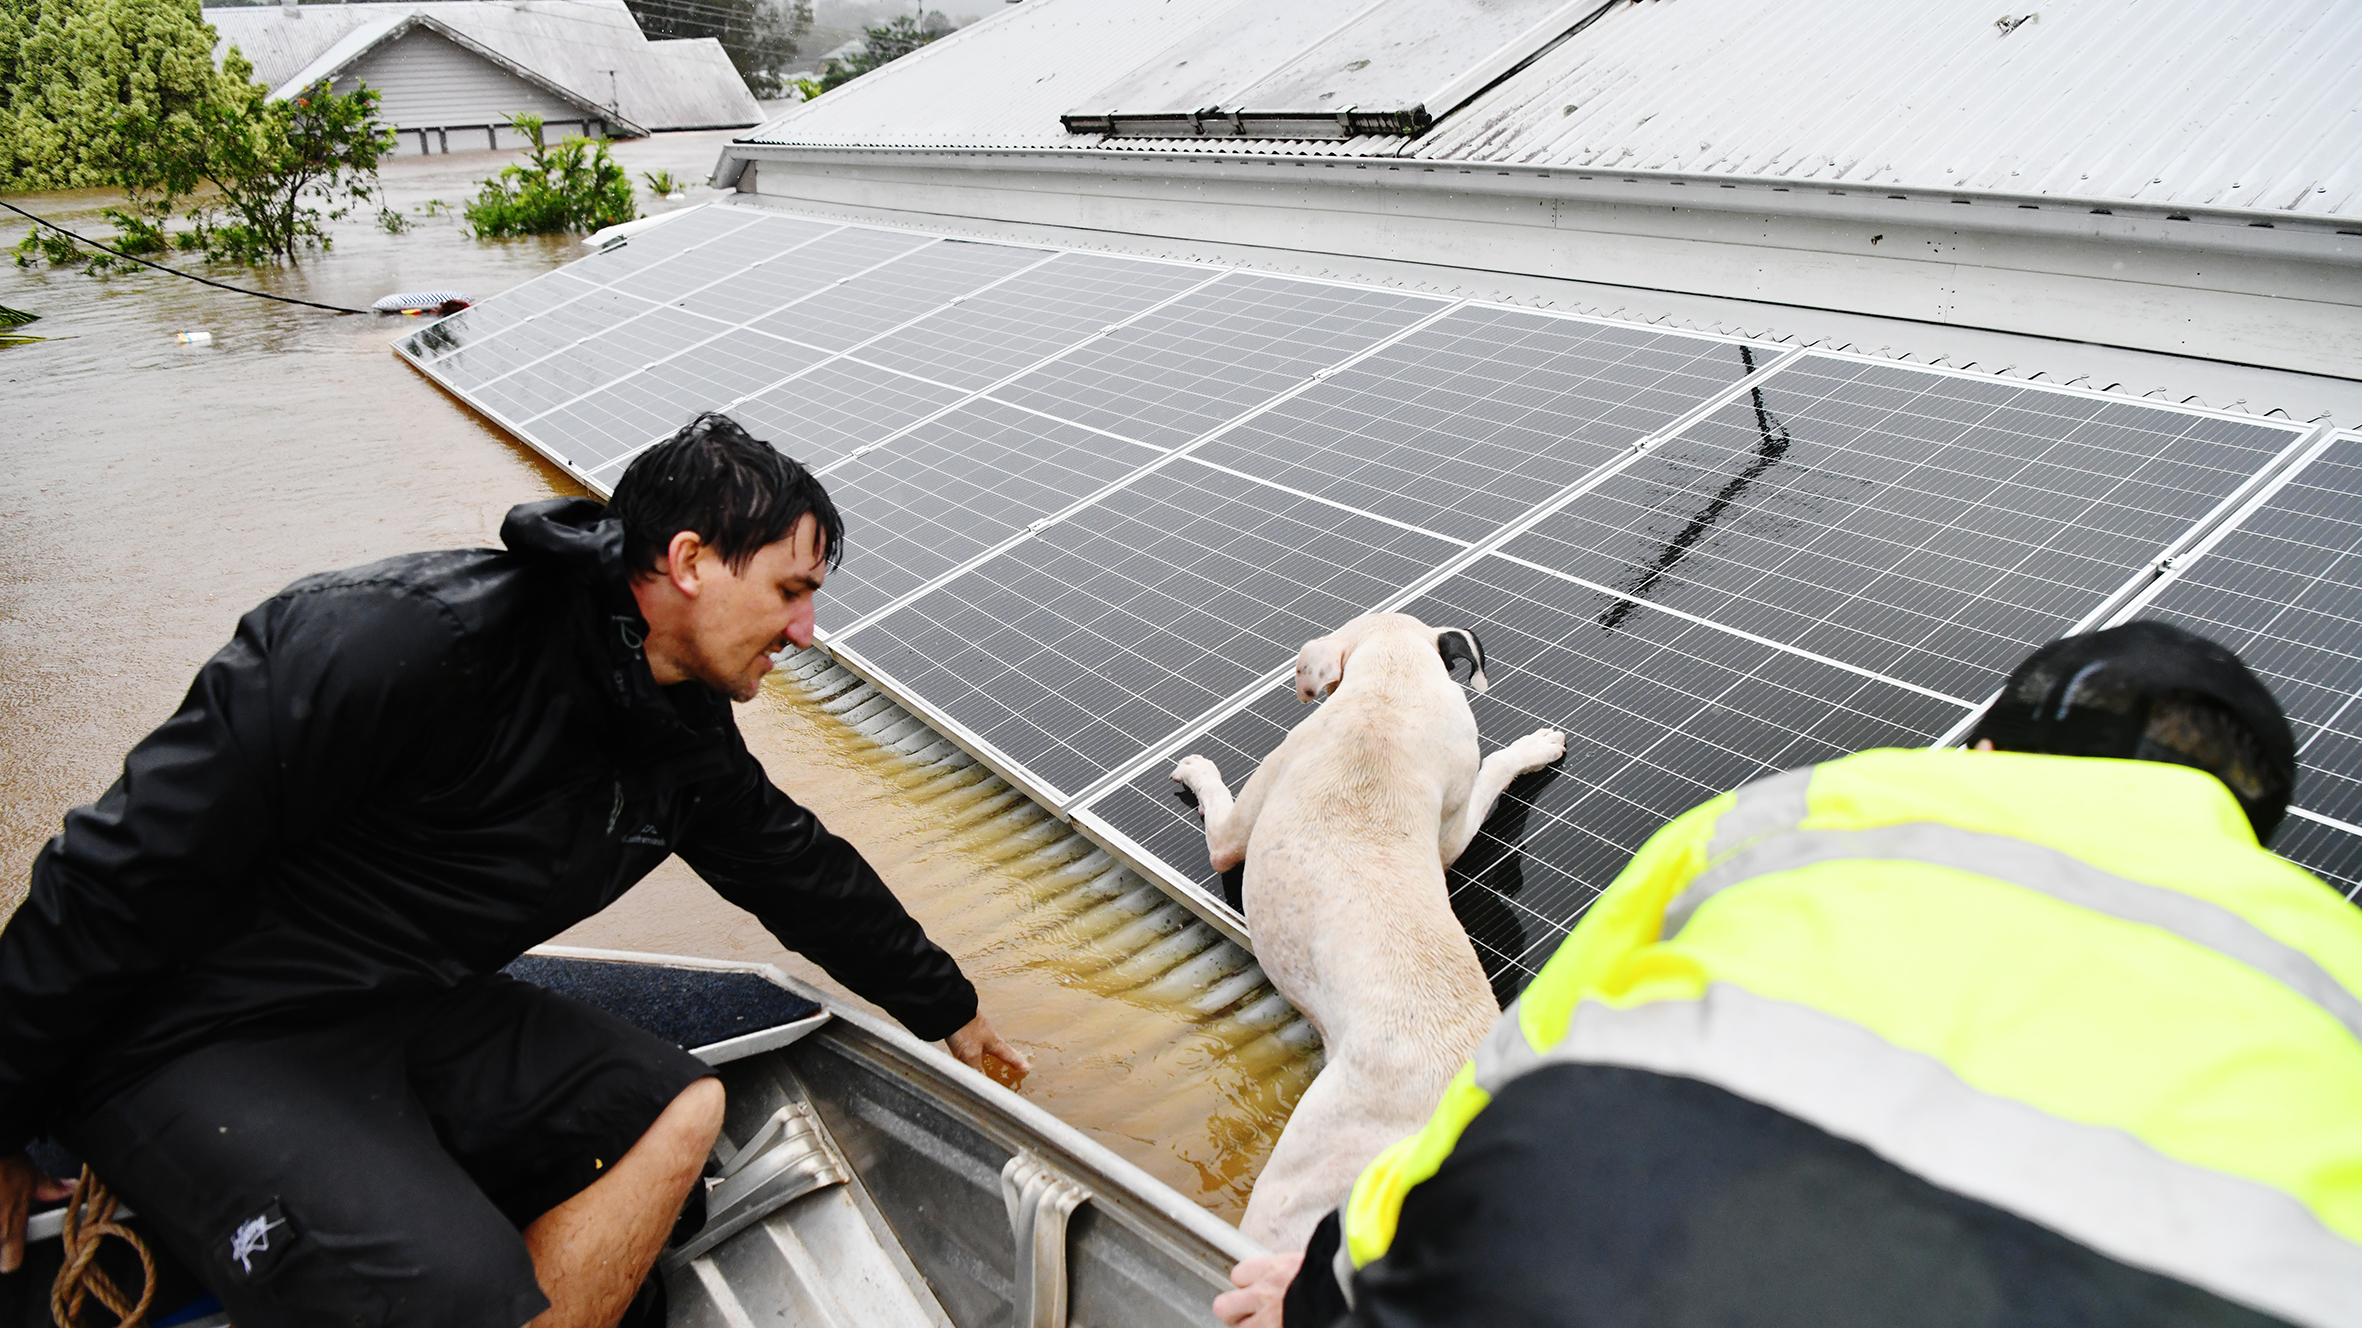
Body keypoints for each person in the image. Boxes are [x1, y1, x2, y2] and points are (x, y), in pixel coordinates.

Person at [0, 413, 1028, 1327]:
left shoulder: (677, 727)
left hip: (398, 1007)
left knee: (676, 1108)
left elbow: (794, 865)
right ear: (688, 561)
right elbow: (111, 870)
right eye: (791, 590)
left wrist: (949, 1003)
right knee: (461, 1289)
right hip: (199, 1029)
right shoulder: (395, 639)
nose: (807, 629)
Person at [1218, 620, 2362, 1328]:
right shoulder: (2333, 966)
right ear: (2246, 828)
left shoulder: (1794, 813)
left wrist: (1322, 1293)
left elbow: (1498, 1074)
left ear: (1986, 751)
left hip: (1558, 1270)